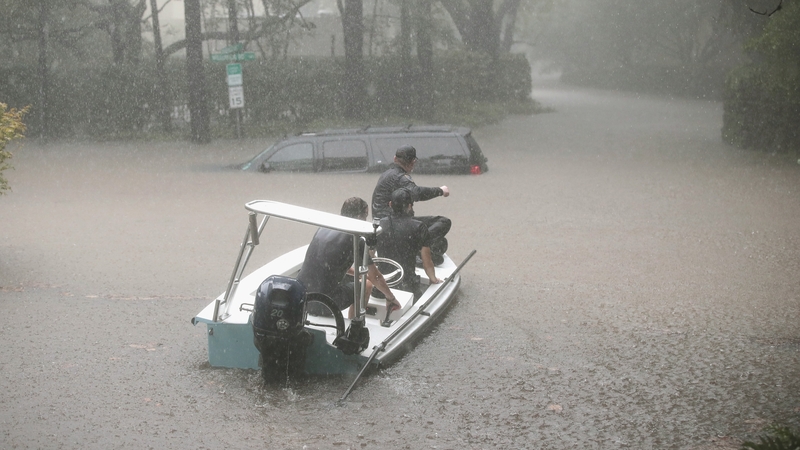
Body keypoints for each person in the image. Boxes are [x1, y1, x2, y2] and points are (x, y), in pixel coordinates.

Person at [297, 197, 401, 318]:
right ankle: (354, 326)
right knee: (366, 285)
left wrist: (361, 274)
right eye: (365, 215)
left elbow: (334, 263)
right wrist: (390, 297)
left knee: (362, 280)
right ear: (358, 217)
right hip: (323, 304)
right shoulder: (356, 239)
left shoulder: (323, 228)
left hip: (302, 297)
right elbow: (376, 276)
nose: (366, 219)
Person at [371, 144, 451, 264]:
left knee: (441, 244)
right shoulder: (400, 177)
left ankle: (418, 248)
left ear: (394, 159)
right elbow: (417, 193)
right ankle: (416, 249)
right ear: (413, 162)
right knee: (443, 222)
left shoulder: (386, 174)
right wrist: (440, 190)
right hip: (393, 224)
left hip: (381, 224)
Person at [376, 189, 441, 299]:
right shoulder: (419, 227)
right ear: (410, 206)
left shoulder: (379, 224)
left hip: (383, 284)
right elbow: (427, 261)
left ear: (390, 204)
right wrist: (433, 279)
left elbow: (371, 256)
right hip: (407, 284)